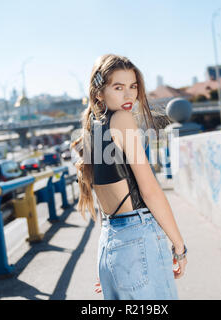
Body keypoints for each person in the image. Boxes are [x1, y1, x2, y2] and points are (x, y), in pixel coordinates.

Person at [71, 54, 187, 300]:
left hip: (111, 243)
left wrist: (117, 262)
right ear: (99, 92)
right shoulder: (122, 120)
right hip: (138, 238)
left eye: (133, 86)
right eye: (118, 87)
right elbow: (150, 191)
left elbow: (106, 197)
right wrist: (179, 246)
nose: (129, 95)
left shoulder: (92, 126)